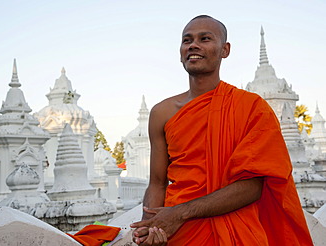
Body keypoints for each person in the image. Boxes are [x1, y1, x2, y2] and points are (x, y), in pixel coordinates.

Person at [130, 15, 313, 246]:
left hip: (235, 230)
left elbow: (253, 186)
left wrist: (180, 213)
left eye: (205, 39)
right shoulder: (162, 113)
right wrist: (150, 226)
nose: (193, 45)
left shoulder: (251, 107)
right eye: (187, 40)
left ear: (225, 50)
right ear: (180, 52)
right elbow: (157, 182)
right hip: (180, 234)